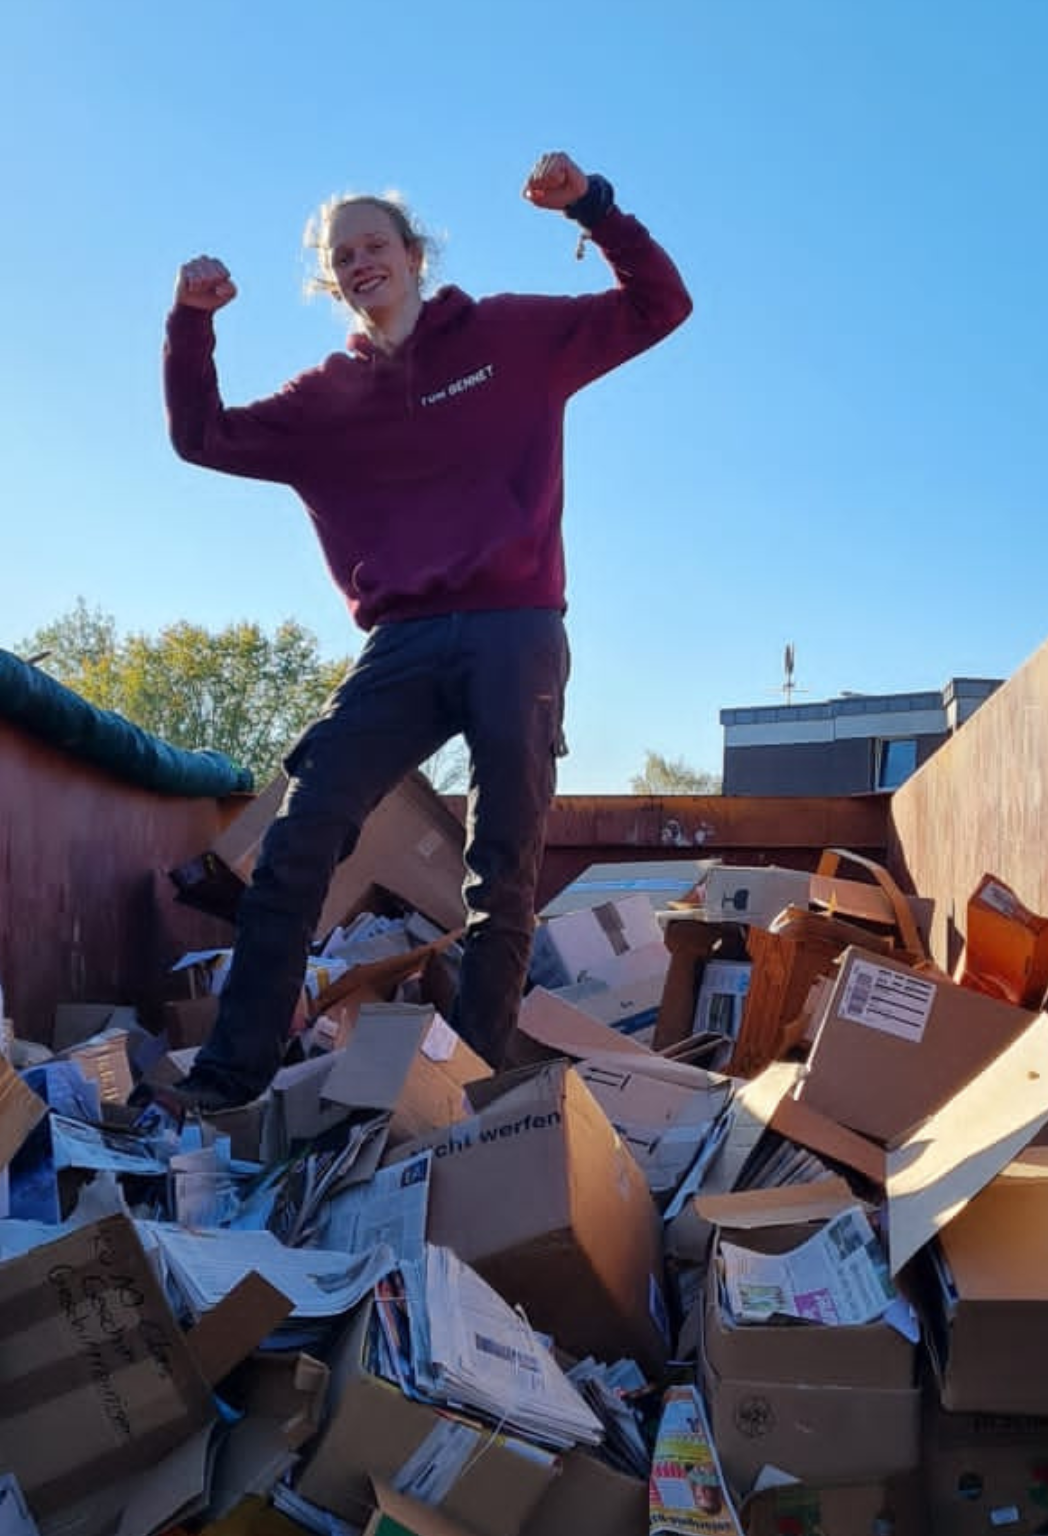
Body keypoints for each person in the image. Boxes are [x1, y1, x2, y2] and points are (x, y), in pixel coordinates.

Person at [161, 151, 691, 1111]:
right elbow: (201, 437)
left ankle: (473, 1100)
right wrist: (191, 322)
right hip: (400, 643)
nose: (362, 262)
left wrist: (595, 207)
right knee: (296, 839)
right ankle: (229, 1079)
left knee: (501, 878)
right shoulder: (323, 401)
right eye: (342, 255)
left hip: (515, 630)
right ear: (333, 281)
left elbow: (660, 305)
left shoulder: (510, 336)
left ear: (413, 255)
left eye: (376, 244)